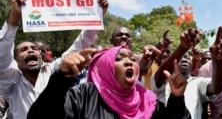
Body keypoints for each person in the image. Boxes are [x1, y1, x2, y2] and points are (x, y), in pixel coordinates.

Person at [0, 0, 108, 119]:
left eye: (34, 49)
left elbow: (80, 46)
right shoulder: (11, 84)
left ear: (41, 55)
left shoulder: (53, 70)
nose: (30, 50)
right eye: (24, 50)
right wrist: (14, 18)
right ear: (15, 61)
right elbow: (2, 56)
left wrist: (95, 17)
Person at [27, 46, 191, 119]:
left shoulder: (149, 101)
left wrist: (177, 99)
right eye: (119, 59)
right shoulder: (82, 96)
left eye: (133, 59)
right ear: (105, 68)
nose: (129, 62)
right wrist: (61, 80)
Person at [150, 26, 222, 119]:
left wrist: (217, 61)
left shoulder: (198, 82)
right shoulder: (165, 79)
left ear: (192, 63)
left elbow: (216, 88)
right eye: (181, 57)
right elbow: (160, 75)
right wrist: (183, 48)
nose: (184, 60)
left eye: (187, 58)